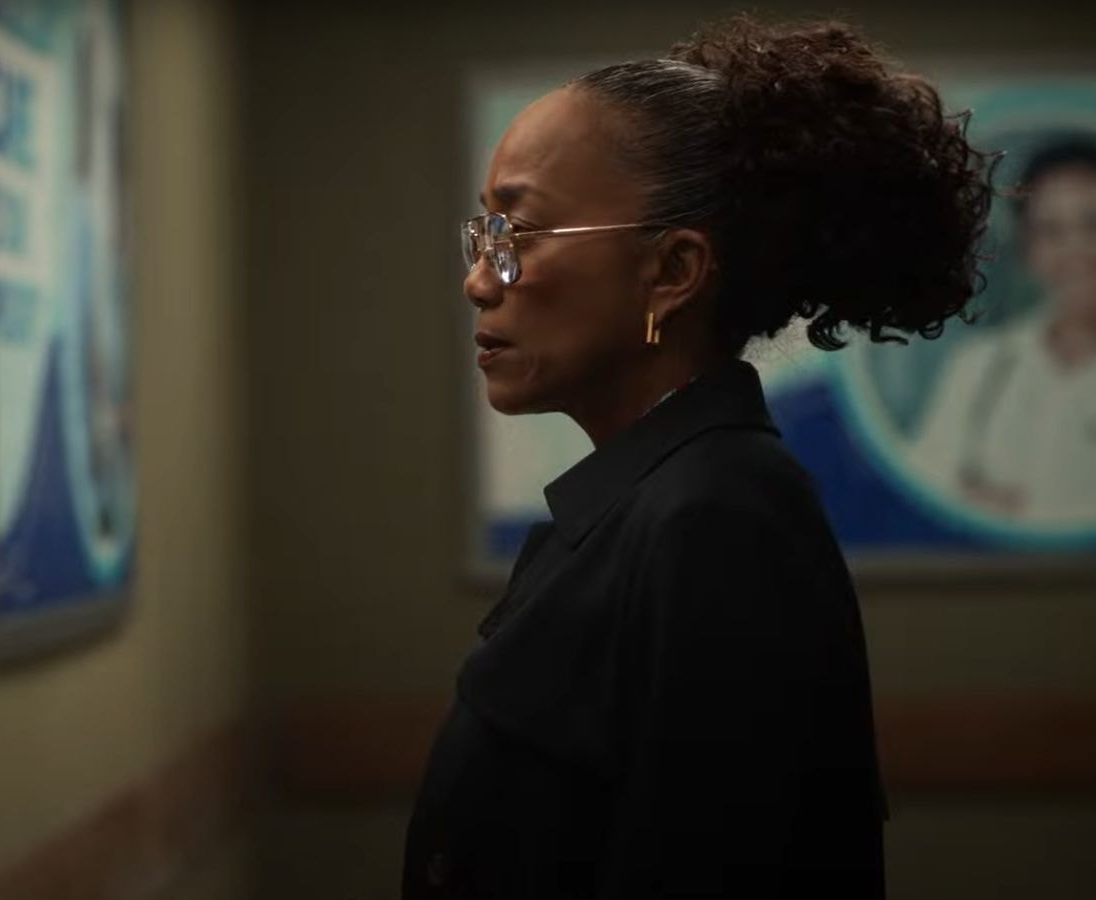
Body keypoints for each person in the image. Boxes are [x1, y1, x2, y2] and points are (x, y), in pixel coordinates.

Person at [403, 16, 994, 900]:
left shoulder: (720, 520)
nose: (482, 280)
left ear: (672, 271)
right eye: (483, 238)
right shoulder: (659, 499)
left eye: (520, 236)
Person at [909, 138, 1096, 525]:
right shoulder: (978, 367)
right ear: (1029, 250)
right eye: (1051, 231)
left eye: (1095, 224)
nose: (1076, 247)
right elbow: (927, 486)